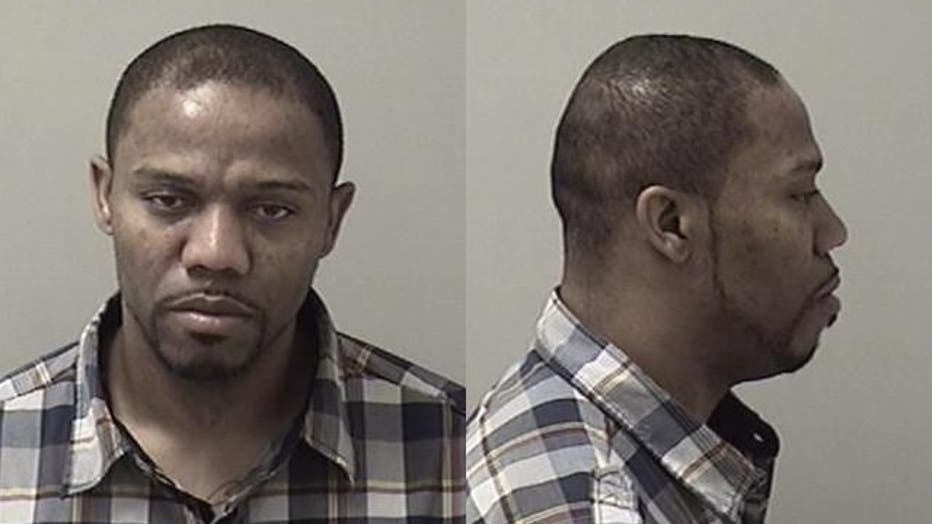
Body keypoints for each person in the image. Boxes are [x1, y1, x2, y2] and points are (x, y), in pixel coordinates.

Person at [0, 24, 463, 523]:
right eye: (168, 200)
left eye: (271, 209)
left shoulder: (455, 451)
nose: (217, 253)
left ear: (332, 220)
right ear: (104, 195)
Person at [467, 34, 846, 524]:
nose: (833, 232)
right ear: (671, 224)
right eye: (800, 194)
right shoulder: (593, 508)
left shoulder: (556, 422)